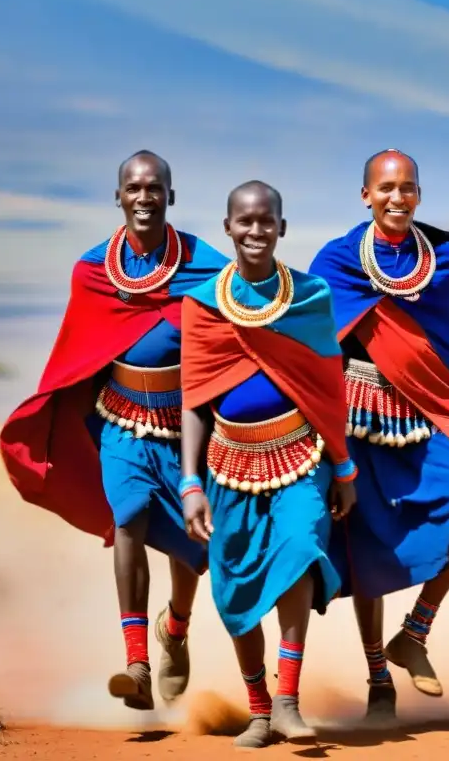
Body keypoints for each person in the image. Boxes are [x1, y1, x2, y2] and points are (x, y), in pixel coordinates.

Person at [0, 151, 228, 711]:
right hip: (121, 420)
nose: (144, 196)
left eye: (155, 187)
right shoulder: (93, 271)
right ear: (118, 196)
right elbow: (80, 350)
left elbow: (239, 331)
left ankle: (174, 627)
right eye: (134, 186)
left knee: (193, 546)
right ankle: (136, 663)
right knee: (128, 517)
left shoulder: (206, 265)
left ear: (170, 196)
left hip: (188, 426)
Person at [308, 150, 449, 721]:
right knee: (364, 542)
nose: (397, 197)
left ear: (419, 195)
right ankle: (378, 677)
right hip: (357, 416)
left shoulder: (445, 261)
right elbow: (313, 346)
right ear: (366, 195)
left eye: (407, 188)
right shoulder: (336, 260)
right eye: (386, 188)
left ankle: (416, 631)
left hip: (426, 411)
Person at [179, 180, 357, 749]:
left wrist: (344, 467)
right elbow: (195, 402)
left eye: (266, 221)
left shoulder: (310, 298)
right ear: (228, 227)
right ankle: (259, 710)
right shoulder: (203, 306)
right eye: (245, 221)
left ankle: (288, 701)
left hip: (300, 455)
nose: (256, 231)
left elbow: (329, 391)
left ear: (282, 227)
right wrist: (190, 484)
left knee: (301, 547)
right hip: (227, 463)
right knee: (235, 586)